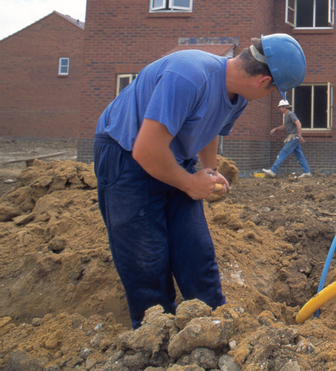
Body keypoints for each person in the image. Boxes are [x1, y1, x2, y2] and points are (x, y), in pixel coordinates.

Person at [94, 34, 306, 328]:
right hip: (126, 151)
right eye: (275, 91)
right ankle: (153, 335)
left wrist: (208, 170)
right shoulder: (190, 76)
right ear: (262, 82)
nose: (272, 97)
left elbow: (210, 127)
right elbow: (146, 150)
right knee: (146, 256)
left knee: (195, 248)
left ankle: (214, 322)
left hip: (172, 152)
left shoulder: (237, 96)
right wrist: (190, 184)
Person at [263, 99, 311, 178]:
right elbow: (285, 126)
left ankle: (273, 171)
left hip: (293, 138)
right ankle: (306, 172)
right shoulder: (287, 116)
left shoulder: (290, 114)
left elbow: (298, 123)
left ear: (284, 107)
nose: (280, 109)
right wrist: (276, 129)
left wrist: (299, 135)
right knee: (299, 155)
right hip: (294, 138)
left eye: (280, 107)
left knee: (283, 153)